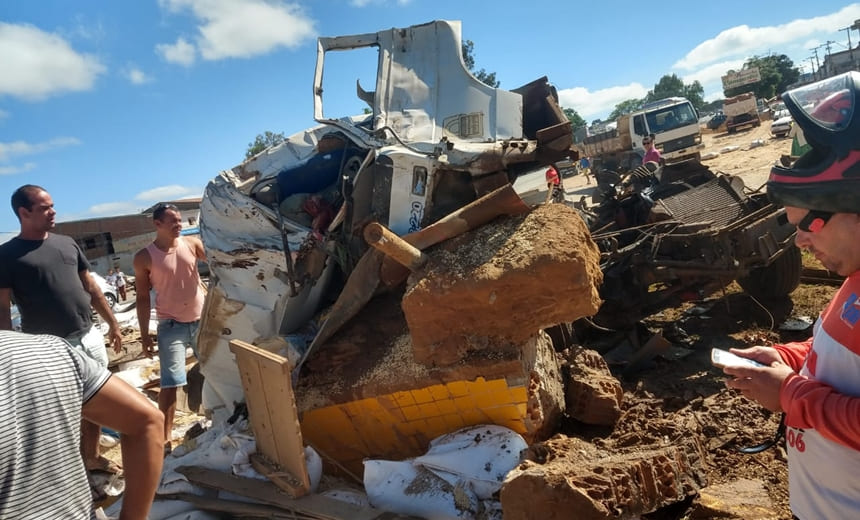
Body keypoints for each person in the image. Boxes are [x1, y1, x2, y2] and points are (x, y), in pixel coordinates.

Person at [720, 71, 860, 520]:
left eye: (808, 223)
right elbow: (841, 358)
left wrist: (790, 395)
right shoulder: (853, 279)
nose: (798, 241)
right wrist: (790, 356)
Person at [0, 184, 124, 474]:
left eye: (52, 205)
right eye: (45, 208)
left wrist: (113, 324)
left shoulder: (67, 243)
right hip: (49, 348)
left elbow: (91, 287)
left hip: (88, 336)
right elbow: (2, 309)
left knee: (97, 404)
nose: (53, 211)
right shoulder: (6, 256)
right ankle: (65, 471)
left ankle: (91, 457)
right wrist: (6, 351)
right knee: (60, 411)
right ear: (24, 212)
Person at [0, 330, 163, 519]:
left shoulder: (51, 351)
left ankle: (93, 456)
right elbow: (147, 421)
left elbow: (145, 422)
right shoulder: (49, 351)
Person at [134, 203, 207, 452]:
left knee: (215, 372)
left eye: (180, 220)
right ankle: (164, 441)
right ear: (157, 225)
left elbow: (221, 265)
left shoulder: (193, 244)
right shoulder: (144, 258)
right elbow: (142, 298)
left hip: (202, 321)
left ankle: (220, 419)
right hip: (171, 326)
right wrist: (145, 335)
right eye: (173, 221)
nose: (179, 225)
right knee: (170, 382)